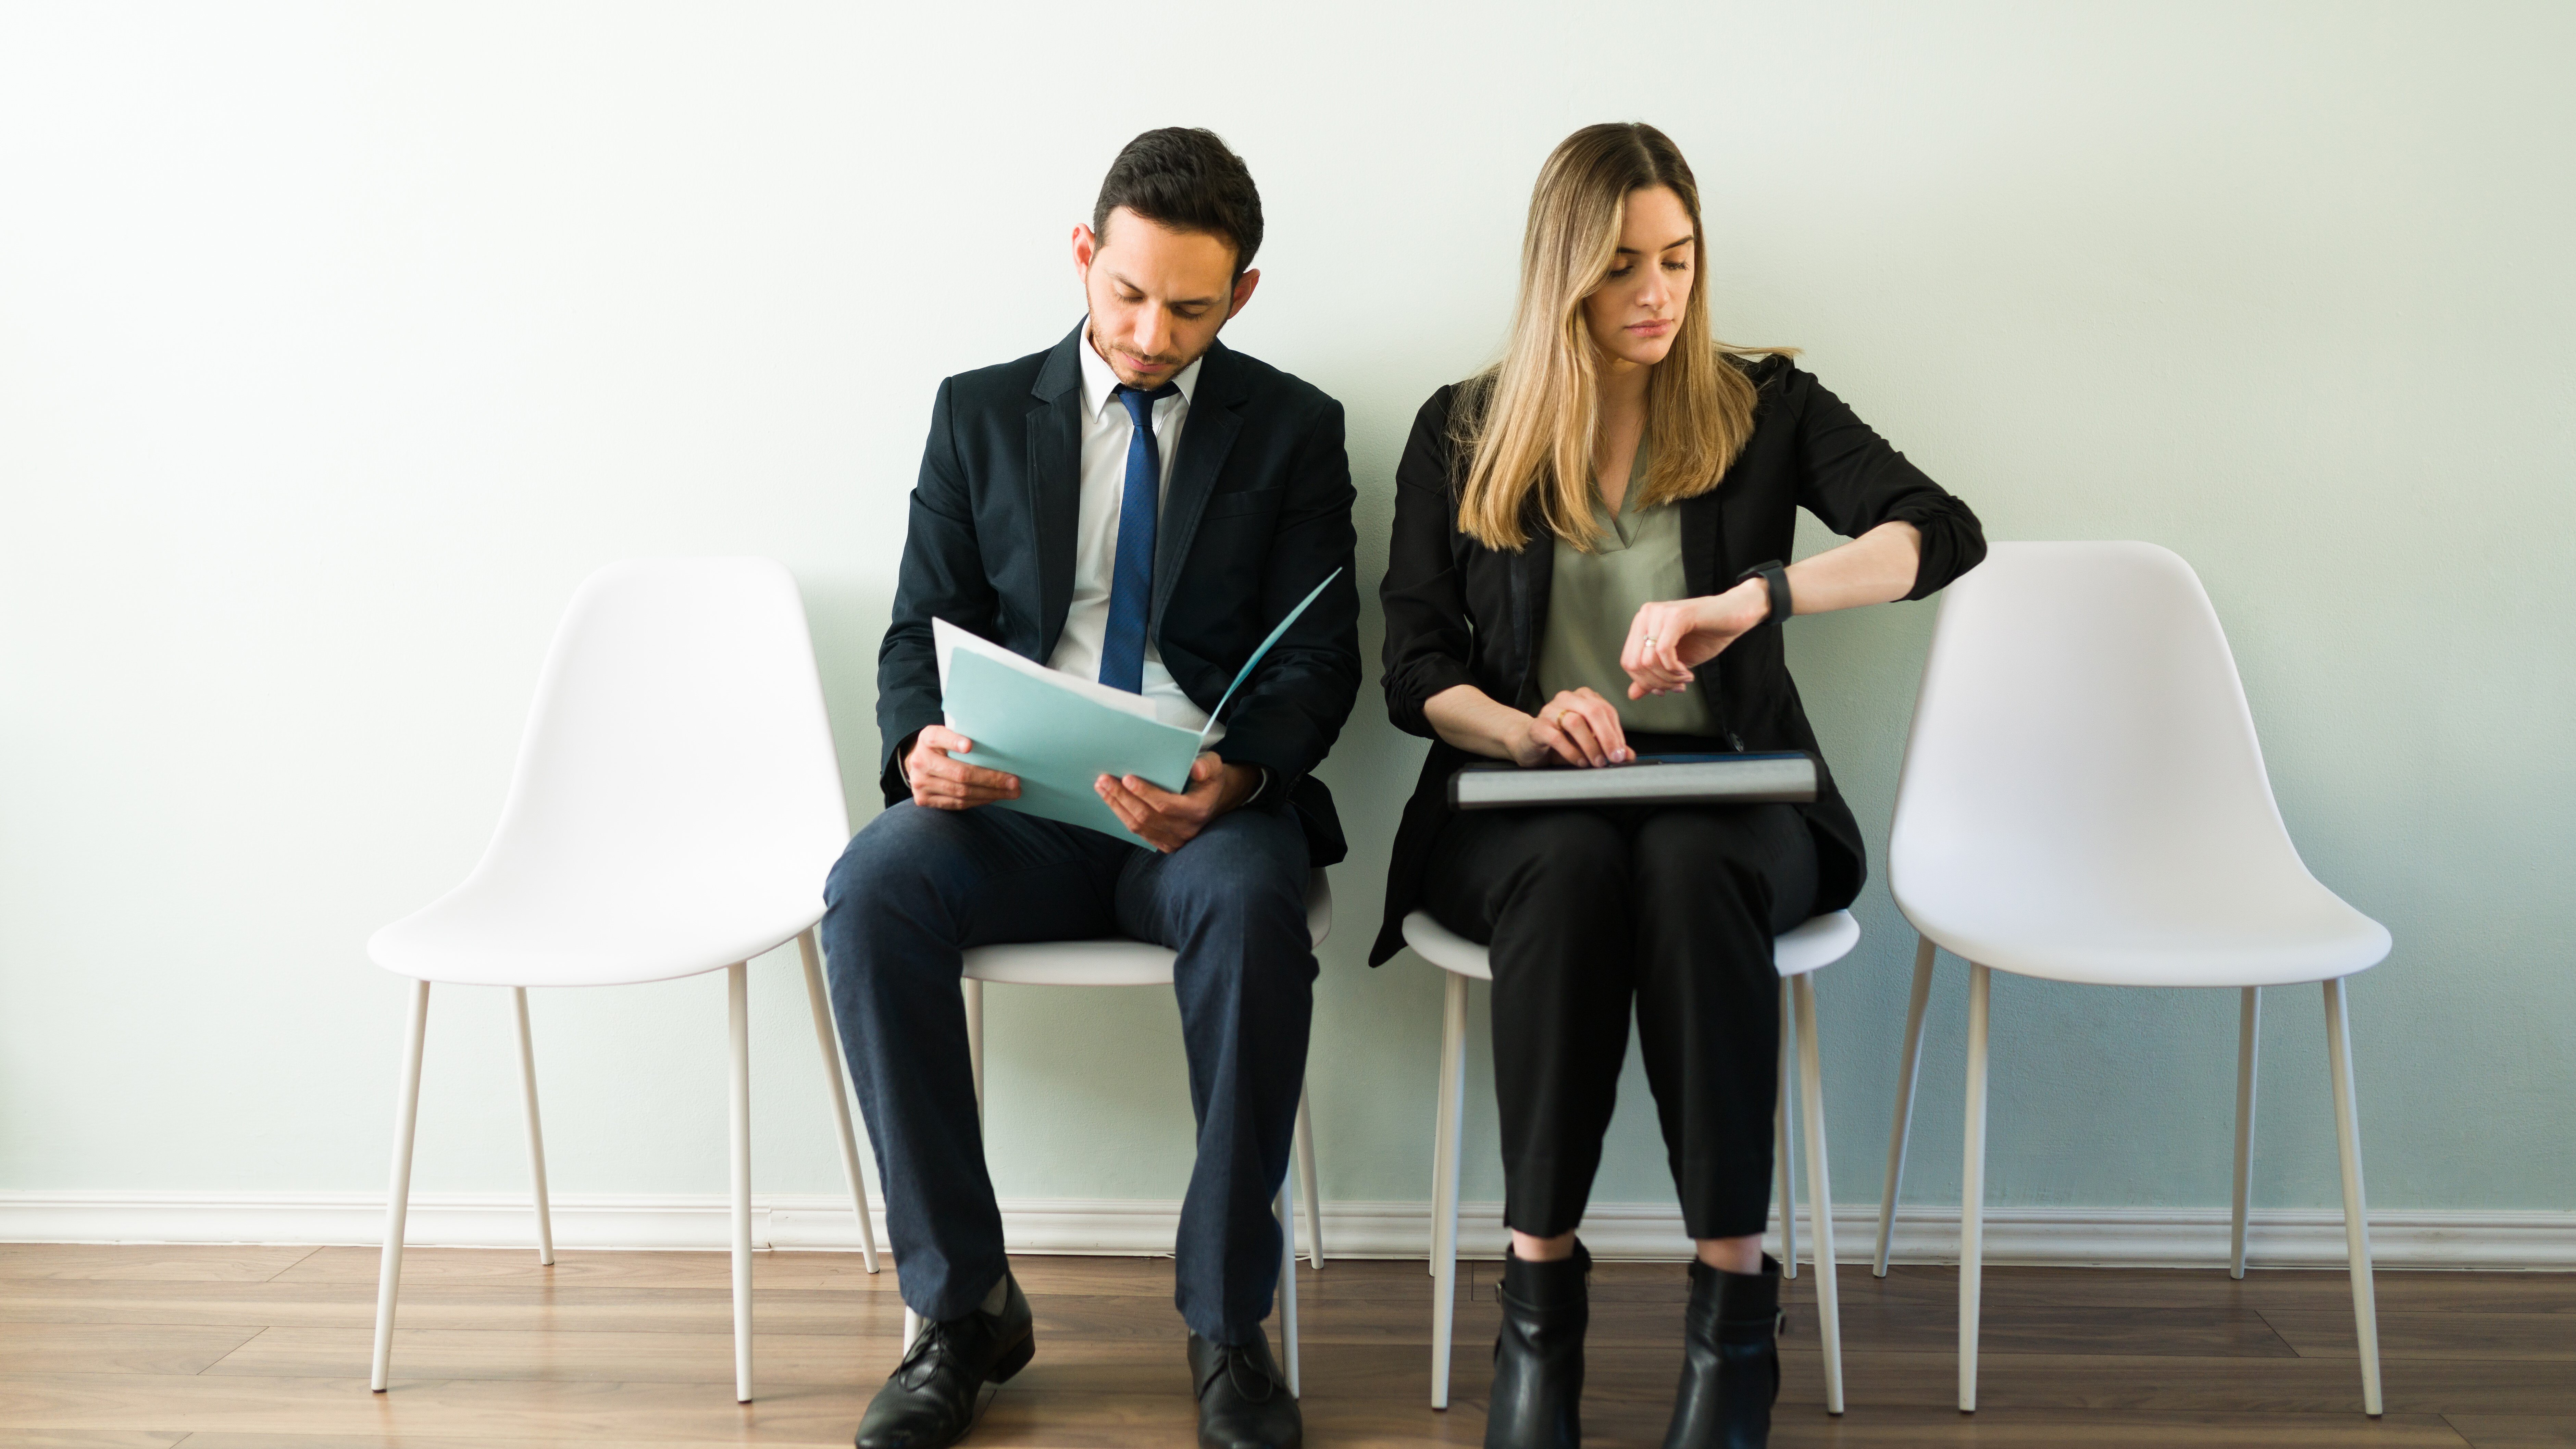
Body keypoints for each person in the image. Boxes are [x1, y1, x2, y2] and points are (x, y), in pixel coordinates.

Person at [1374, 123, 1986, 1449]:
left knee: (1688, 862)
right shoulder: (1465, 427)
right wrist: (1529, 726)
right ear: (1563, 277)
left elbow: (1939, 531)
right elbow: (1412, 667)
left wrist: (1762, 593)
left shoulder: (1767, 407)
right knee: (1583, 865)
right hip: (1523, 801)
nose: (1659, 294)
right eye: (1622, 267)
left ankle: (1732, 1311)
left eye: (1680, 260)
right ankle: (1537, 1306)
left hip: (1734, 793)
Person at [822, 127, 1359, 1449]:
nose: (1149, 330)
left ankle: (1229, 1327)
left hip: (1197, 819)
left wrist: (1235, 778)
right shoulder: (977, 411)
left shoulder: (1292, 429)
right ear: (1084, 254)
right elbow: (916, 631)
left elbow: (1317, 656)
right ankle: (962, 1309)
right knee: (870, 889)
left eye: (1189, 307)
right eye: (1127, 294)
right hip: (1013, 803)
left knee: (1250, 913)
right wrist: (918, 748)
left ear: (1240, 293)